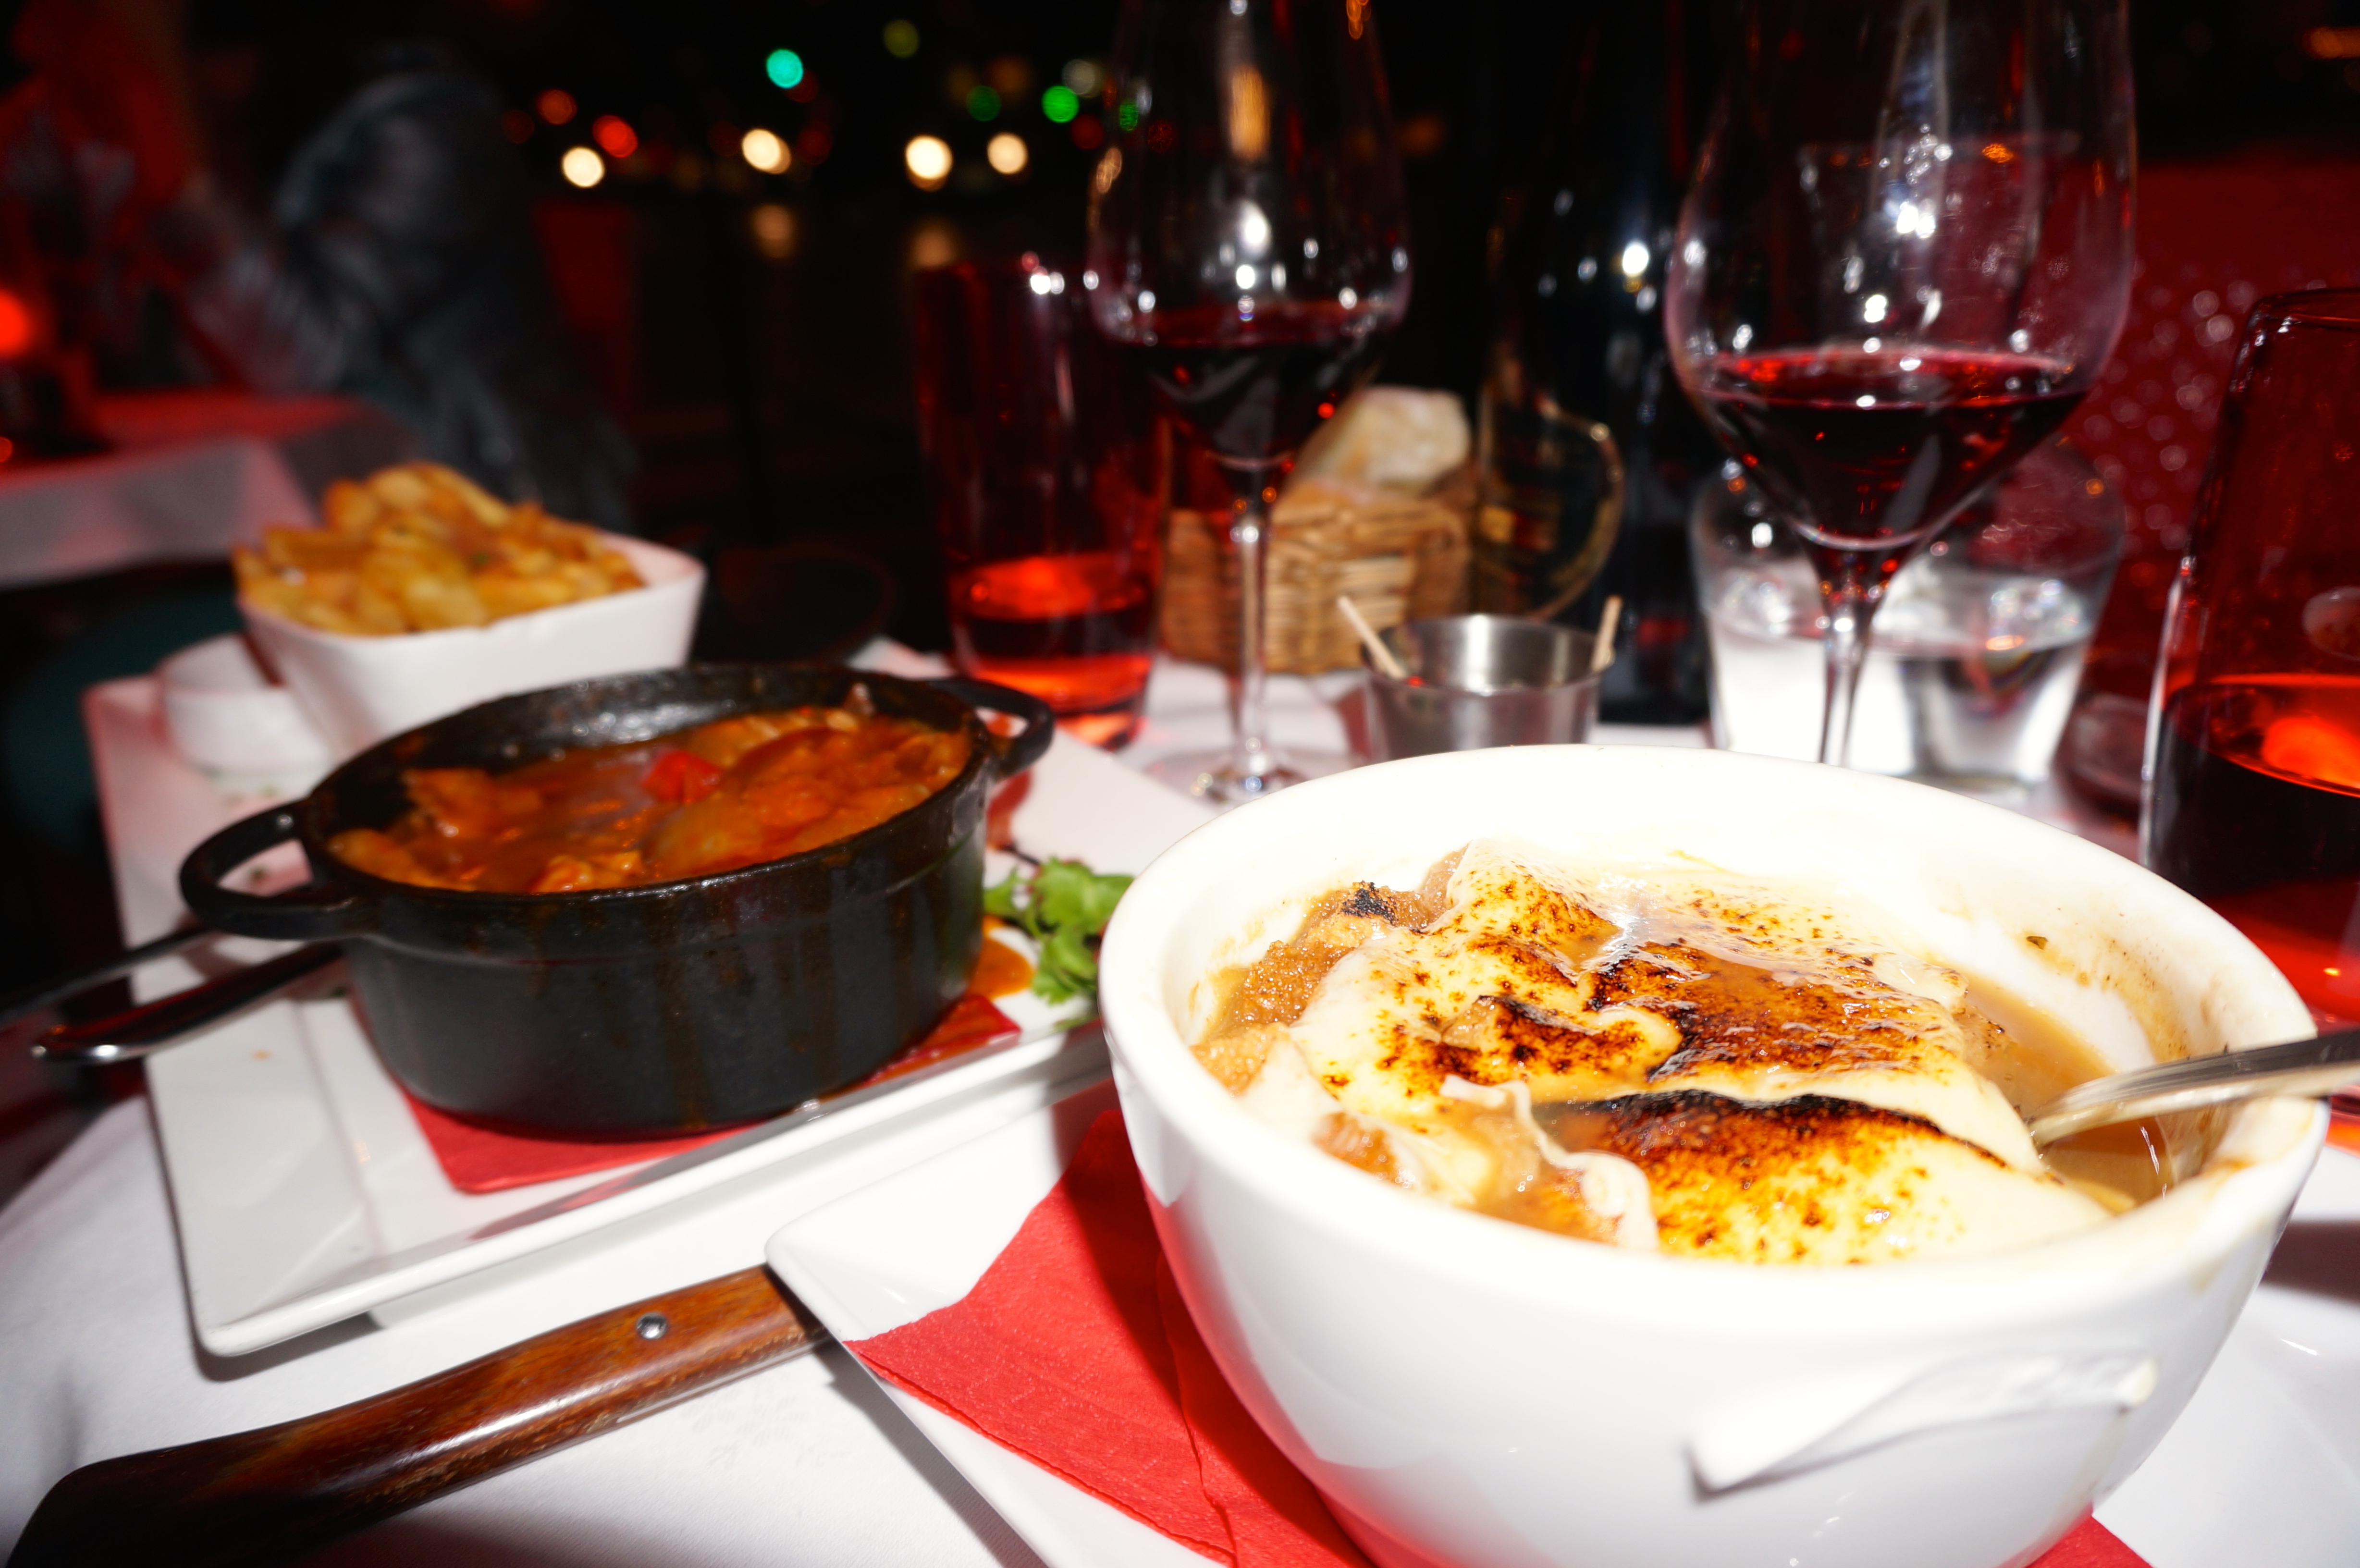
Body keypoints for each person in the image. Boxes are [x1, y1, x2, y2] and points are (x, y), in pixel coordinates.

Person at [0, 0, 634, 528]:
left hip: (491, 521)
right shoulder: (97, 120)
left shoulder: (427, 118)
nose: (33, 38)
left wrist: (173, 140)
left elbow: (302, 358)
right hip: (231, 533)